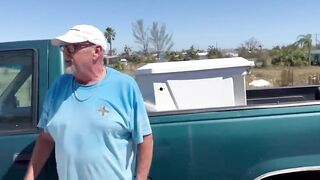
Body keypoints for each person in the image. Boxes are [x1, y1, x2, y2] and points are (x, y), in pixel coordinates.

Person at [24, 24, 153, 180]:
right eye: (64, 48)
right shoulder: (58, 86)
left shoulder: (125, 86)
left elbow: (144, 138)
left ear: (96, 51)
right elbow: (46, 138)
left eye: (71, 48)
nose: (65, 53)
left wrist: (141, 178)